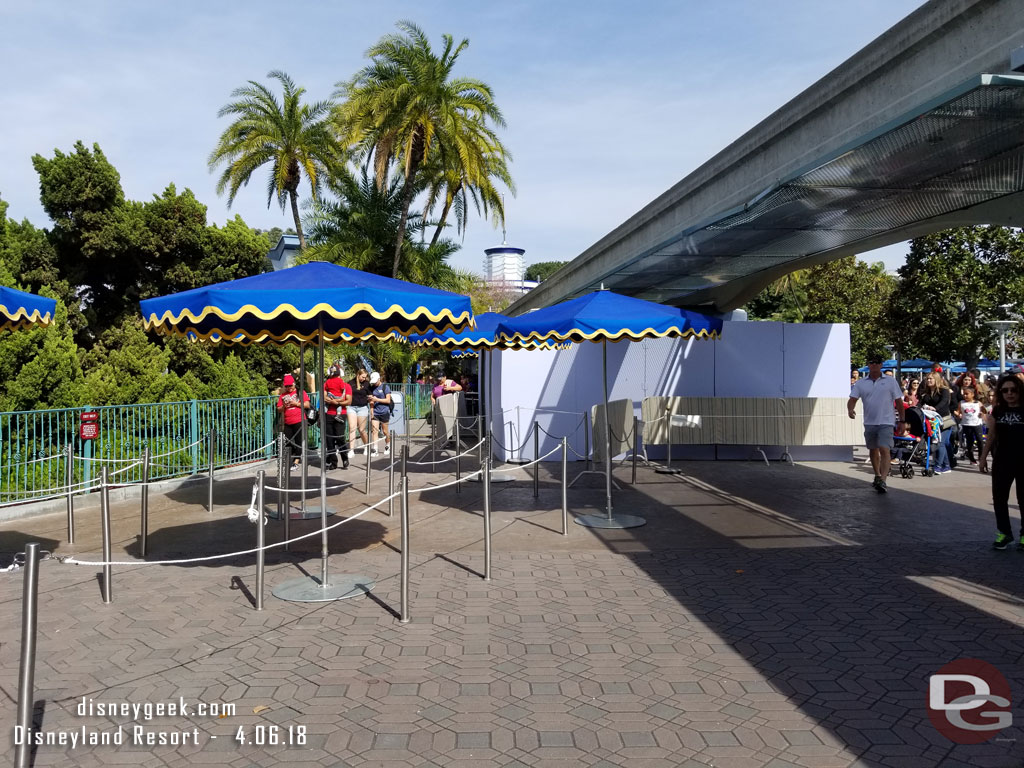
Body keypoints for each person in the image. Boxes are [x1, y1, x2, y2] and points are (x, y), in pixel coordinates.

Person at [848, 354, 905, 493]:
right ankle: (877, 475)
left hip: (886, 421)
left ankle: (883, 480)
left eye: (877, 362)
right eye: (871, 362)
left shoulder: (890, 381)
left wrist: (902, 421)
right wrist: (850, 409)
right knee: (873, 450)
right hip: (869, 422)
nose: (874, 365)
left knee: (884, 449)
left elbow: (899, 402)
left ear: (881, 365)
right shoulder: (861, 383)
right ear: (868, 364)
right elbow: (853, 399)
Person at [979, 374, 1024, 550]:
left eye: (1013, 390)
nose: (1009, 393)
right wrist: (983, 457)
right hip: (1003, 459)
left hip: (1023, 460)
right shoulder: (998, 410)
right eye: (1005, 390)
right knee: (999, 497)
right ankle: (1004, 533)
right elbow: (992, 435)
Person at [917, 371, 958, 473]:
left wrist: (934, 408)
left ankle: (938, 466)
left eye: (931, 379)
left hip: (944, 421)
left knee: (941, 443)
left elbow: (944, 403)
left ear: (937, 380)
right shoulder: (926, 392)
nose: (929, 380)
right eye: (928, 379)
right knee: (938, 443)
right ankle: (946, 465)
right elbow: (920, 403)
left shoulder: (944, 390)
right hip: (932, 422)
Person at [276, 374, 310, 471]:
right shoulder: (282, 395)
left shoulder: (300, 392)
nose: (288, 388)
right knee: (288, 441)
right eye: (286, 386)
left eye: (290, 386)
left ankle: (296, 461)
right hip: (288, 421)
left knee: (299, 441)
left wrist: (296, 404)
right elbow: (279, 409)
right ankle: (293, 456)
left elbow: (307, 405)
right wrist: (283, 406)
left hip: (299, 420)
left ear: (294, 384)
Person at [323, 364, 351, 470]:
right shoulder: (326, 384)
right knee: (329, 439)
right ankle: (333, 462)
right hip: (329, 414)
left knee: (340, 438)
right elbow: (324, 396)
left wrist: (336, 401)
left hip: (341, 414)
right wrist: (332, 401)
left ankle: (344, 458)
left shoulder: (346, 386)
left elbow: (349, 401)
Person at [958, 386, 985, 465]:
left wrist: (982, 413)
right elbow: (958, 411)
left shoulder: (978, 403)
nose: (965, 396)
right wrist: (958, 414)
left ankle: (981, 457)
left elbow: (984, 411)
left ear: (972, 394)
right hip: (967, 424)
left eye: (967, 394)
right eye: (964, 394)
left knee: (980, 441)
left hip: (977, 424)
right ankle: (971, 458)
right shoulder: (961, 403)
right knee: (969, 442)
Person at [347, 368, 372, 456]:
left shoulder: (367, 384)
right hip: (352, 407)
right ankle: (351, 450)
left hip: (362, 408)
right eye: (363, 377)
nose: (364, 379)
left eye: (365, 377)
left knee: (361, 430)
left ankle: (367, 446)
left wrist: (371, 407)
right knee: (352, 428)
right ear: (358, 375)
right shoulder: (350, 383)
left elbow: (370, 395)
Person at [368, 371, 392, 456]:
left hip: (384, 411)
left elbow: (388, 400)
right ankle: (375, 449)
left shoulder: (385, 387)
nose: (374, 383)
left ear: (379, 379)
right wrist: (371, 411)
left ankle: (388, 445)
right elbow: (371, 401)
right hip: (376, 412)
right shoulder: (372, 388)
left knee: (385, 431)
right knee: (374, 431)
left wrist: (376, 399)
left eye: (375, 381)